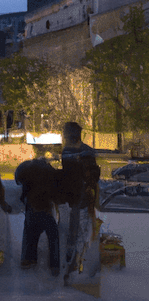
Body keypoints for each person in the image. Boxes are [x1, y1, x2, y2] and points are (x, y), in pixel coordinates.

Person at [58, 121, 100, 285]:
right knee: (78, 234)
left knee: (76, 235)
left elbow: (88, 177)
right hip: (77, 200)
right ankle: (74, 267)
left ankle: (73, 268)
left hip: (78, 201)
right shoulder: (78, 151)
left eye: (65, 134)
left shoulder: (71, 152)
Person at [14, 155, 60, 275]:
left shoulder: (28, 169)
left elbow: (23, 188)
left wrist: (24, 199)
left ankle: (27, 261)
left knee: (30, 236)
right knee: (53, 236)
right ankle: (54, 266)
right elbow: (55, 190)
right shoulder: (49, 172)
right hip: (45, 208)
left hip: (32, 208)